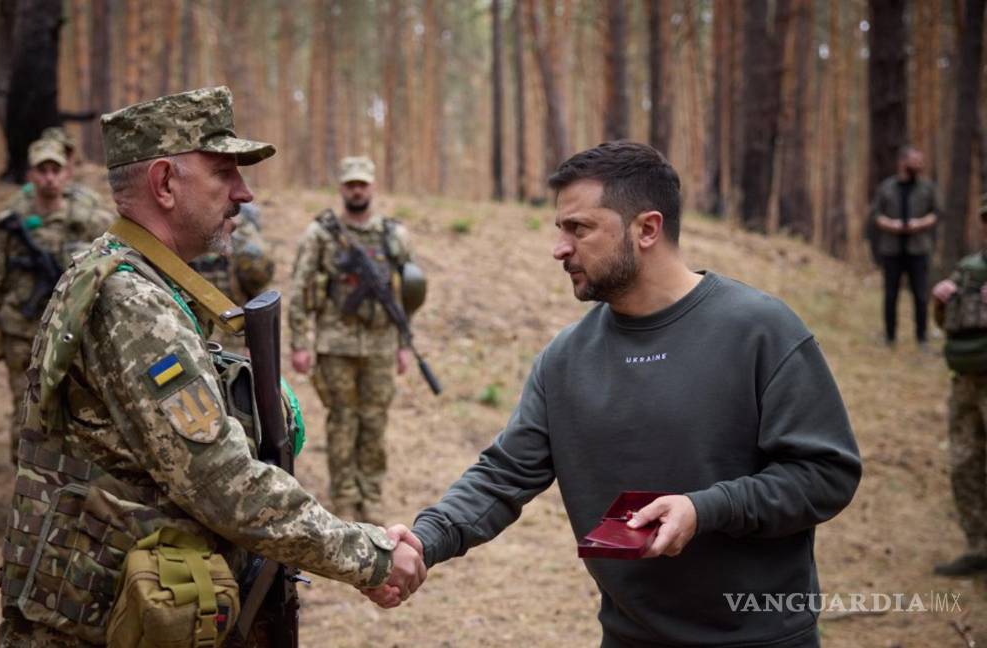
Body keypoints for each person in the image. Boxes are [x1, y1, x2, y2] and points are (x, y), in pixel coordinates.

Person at [369, 142, 862, 647]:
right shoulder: (566, 358)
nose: (559, 249)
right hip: (629, 637)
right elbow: (502, 476)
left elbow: (826, 473)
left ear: (647, 229)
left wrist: (706, 509)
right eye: (560, 229)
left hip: (761, 637)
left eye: (579, 229)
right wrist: (425, 540)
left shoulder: (760, 330)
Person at [0, 87, 425, 647]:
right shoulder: (133, 303)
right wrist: (370, 555)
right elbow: (223, 484)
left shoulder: (128, 276)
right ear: (164, 184)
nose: (244, 193)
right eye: (224, 173)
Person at [288, 156, 417, 524]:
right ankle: (344, 497)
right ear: (341, 188)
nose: (357, 190)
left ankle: (371, 496)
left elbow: (408, 293)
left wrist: (404, 344)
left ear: (372, 186)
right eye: (350, 184)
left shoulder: (394, 235)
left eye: (362, 184)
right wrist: (299, 343)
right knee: (342, 421)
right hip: (335, 344)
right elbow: (300, 288)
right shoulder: (320, 234)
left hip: (381, 344)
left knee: (374, 421)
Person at [0, 138, 114, 463]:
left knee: (75, 413)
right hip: (21, 331)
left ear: (67, 174)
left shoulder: (90, 219)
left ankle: (65, 484)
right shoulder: (11, 221)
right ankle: (25, 480)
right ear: (31, 176)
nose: (49, 178)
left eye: (55, 170)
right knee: (26, 410)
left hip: (71, 333)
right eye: (42, 171)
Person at [931, 193, 987, 577]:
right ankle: (978, 546)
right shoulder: (970, 269)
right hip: (966, 381)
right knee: (965, 463)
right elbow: (947, 325)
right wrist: (942, 301)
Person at [869, 147, 942, 347]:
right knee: (890, 295)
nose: (919, 164)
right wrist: (890, 224)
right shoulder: (887, 187)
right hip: (891, 249)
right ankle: (889, 336)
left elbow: (936, 213)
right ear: (903, 162)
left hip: (918, 249)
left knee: (920, 295)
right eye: (915, 161)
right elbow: (875, 214)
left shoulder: (927, 188)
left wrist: (920, 223)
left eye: (920, 161)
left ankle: (922, 337)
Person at [189, 201, 275, 350]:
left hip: (234, 339)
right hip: (195, 338)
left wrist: (254, 344)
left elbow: (259, 287)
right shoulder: (189, 226)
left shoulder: (243, 230)